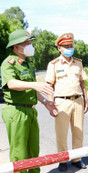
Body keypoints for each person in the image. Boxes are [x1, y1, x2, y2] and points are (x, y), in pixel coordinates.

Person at [1, 29, 58, 173]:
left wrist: (46, 102)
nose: (30, 44)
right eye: (27, 42)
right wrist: (34, 84)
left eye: (30, 41)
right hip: (16, 111)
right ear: (16, 46)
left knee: (33, 150)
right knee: (19, 153)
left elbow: (32, 89)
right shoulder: (9, 63)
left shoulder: (28, 63)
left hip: (30, 110)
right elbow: (11, 83)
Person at [45, 32, 88, 171]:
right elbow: (49, 86)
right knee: (61, 133)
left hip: (78, 100)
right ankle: (63, 160)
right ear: (59, 48)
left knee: (78, 132)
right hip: (61, 102)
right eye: (66, 46)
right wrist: (51, 104)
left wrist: (86, 99)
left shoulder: (78, 63)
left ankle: (77, 158)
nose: (70, 47)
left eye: (71, 45)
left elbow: (82, 82)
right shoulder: (54, 64)